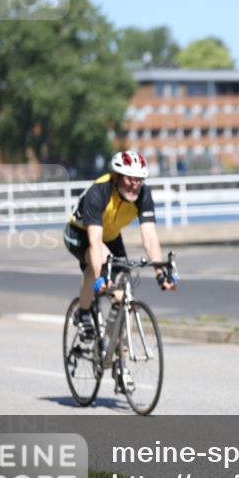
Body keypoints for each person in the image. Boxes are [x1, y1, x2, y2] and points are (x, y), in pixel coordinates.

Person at [63, 150, 177, 391]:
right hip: (80, 234)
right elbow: (95, 243)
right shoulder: (99, 192)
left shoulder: (143, 194)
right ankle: (83, 312)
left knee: (123, 296)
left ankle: (119, 364)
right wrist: (101, 276)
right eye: (130, 178)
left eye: (139, 179)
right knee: (99, 265)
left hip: (111, 236)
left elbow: (150, 237)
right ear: (116, 176)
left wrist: (160, 272)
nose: (135, 184)